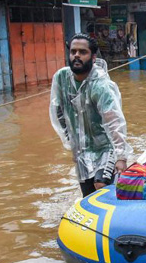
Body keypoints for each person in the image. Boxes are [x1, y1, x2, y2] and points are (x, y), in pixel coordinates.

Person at [50, 33, 132, 197]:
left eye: (82, 52)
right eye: (73, 52)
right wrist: (69, 138)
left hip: (105, 148)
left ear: (93, 57)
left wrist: (121, 157)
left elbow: (114, 121)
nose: (77, 56)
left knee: (101, 185)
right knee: (87, 195)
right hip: (81, 150)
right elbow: (57, 110)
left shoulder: (101, 85)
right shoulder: (61, 78)